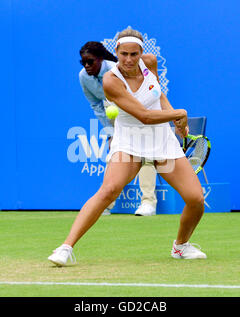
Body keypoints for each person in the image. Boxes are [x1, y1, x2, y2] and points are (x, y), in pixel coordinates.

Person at [49, 28, 206, 266]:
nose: (129, 60)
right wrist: (180, 113)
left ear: (142, 52)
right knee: (109, 190)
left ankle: (181, 246)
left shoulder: (150, 63)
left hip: (161, 139)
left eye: (134, 54)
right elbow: (143, 115)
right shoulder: (111, 81)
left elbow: (158, 94)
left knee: (196, 199)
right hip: (130, 140)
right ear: (116, 52)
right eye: (124, 54)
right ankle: (65, 248)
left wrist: (176, 121)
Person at [78, 41, 158, 216]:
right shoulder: (83, 76)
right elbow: (97, 105)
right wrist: (110, 132)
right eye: (83, 62)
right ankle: (105, 204)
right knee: (113, 158)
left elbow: (139, 96)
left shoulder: (119, 70)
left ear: (100, 59)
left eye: (90, 61)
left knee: (145, 157)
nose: (86, 66)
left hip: (138, 113)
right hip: (116, 119)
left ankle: (148, 203)